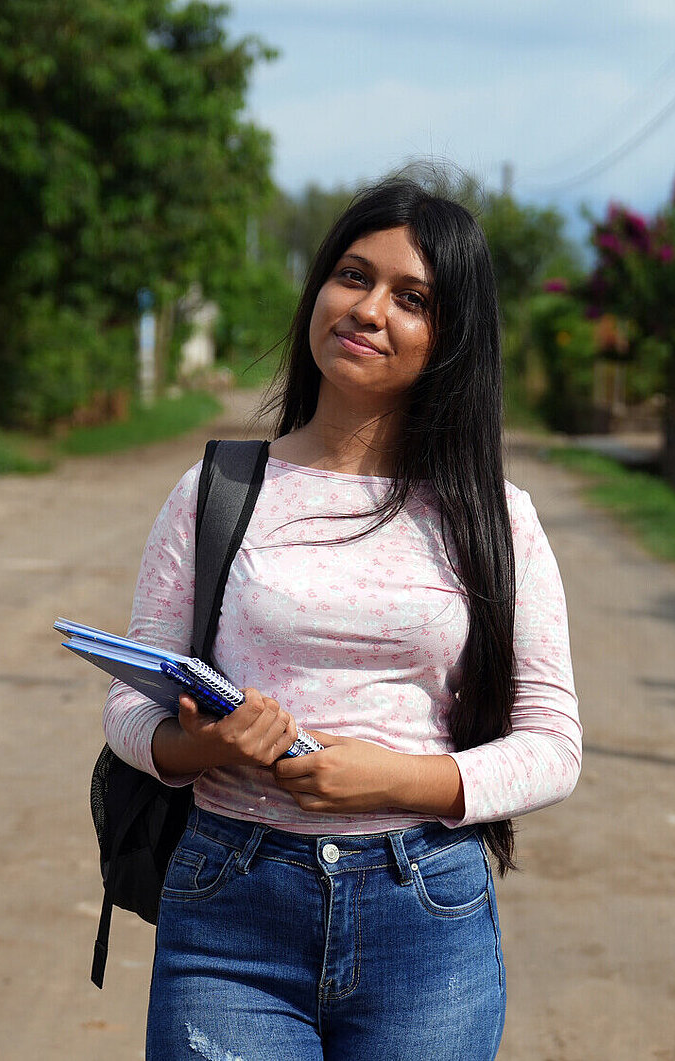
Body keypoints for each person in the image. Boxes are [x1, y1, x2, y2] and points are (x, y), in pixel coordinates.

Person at [104, 175, 581, 1061]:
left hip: (427, 917)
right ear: (318, 289)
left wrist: (399, 781)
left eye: (412, 298)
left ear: (452, 338)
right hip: (228, 911)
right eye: (352, 276)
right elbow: (130, 711)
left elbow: (553, 746)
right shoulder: (217, 490)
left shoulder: (495, 517)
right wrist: (207, 746)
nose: (368, 310)